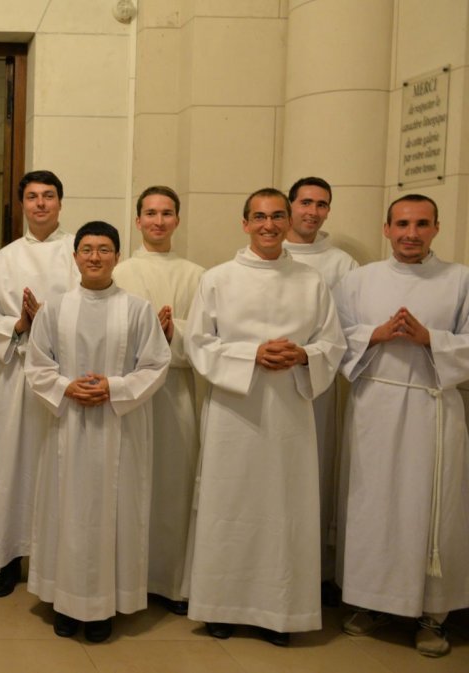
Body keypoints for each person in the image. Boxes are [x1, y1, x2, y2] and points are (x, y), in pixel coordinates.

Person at [183, 188, 346, 646]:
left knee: (283, 510)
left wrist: (302, 354)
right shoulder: (218, 278)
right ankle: (220, 605)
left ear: (288, 220)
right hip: (236, 412)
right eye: (260, 217)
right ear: (245, 223)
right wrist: (252, 353)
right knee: (228, 506)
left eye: (277, 216)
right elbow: (199, 342)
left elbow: (332, 345)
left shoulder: (311, 281)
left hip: (290, 413)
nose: (269, 225)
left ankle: (281, 611)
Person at [334, 194, 469, 658]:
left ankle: (433, 615)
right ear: (386, 228)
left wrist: (431, 339)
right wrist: (376, 333)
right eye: (403, 224)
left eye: (422, 224)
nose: (412, 233)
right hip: (376, 404)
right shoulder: (358, 281)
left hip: (433, 408)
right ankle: (371, 603)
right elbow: (333, 337)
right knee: (375, 505)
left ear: (437, 228)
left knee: (433, 508)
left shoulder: (460, 280)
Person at [25, 221, 169, 643]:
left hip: (118, 428)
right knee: (67, 511)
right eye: (86, 249)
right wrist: (65, 386)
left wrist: (115, 387)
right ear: (74, 257)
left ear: (117, 256)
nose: (94, 257)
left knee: (113, 511)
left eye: (104, 249)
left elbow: (156, 364)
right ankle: (65, 603)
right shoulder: (55, 308)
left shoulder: (138, 309)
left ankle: (104, 605)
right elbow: (37, 365)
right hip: (68, 426)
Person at [0, 169, 78, 598]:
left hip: (63, 374)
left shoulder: (79, 250)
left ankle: (57, 560)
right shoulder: (5, 259)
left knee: (59, 466)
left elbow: (92, 308)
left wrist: (49, 321)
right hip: (16, 376)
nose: (40, 204)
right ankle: (9, 559)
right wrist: (19, 323)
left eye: (48, 196)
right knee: (12, 467)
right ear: (22, 204)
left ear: (60, 203)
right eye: (32, 197)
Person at [112, 186, 204, 616]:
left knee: (173, 483)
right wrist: (147, 336)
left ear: (178, 220)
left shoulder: (198, 275)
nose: (158, 221)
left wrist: (173, 334)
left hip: (176, 394)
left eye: (167, 213)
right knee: (132, 483)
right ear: (137, 220)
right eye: (150, 213)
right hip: (131, 393)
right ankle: (128, 577)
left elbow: (205, 337)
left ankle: (170, 582)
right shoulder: (122, 271)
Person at [283, 176, 358, 605]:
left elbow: (344, 328)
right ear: (291, 206)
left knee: (312, 472)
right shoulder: (264, 253)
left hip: (314, 381)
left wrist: (307, 355)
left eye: (322, 204)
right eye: (305, 202)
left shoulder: (341, 264)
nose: (312, 211)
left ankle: (312, 572)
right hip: (263, 379)